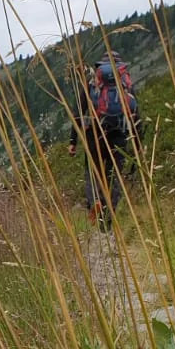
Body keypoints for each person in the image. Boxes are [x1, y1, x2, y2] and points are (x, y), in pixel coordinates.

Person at [67, 59, 141, 230]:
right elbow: (136, 115)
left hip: (94, 135)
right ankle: (108, 218)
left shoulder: (92, 84)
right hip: (119, 136)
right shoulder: (125, 83)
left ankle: (95, 203)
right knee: (114, 177)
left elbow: (78, 113)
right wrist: (137, 144)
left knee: (92, 174)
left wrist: (73, 141)